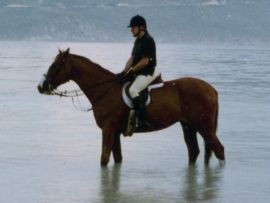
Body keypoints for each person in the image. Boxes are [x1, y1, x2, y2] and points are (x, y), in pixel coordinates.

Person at [118, 15, 157, 128]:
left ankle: (143, 119)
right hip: (138, 73)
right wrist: (124, 72)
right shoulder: (138, 41)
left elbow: (145, 61)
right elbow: (132, 58)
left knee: (133, 90)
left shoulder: (148, 41)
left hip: (147, 73)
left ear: (141, 28)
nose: (131, 30)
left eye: (133, 27)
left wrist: (132, 71)